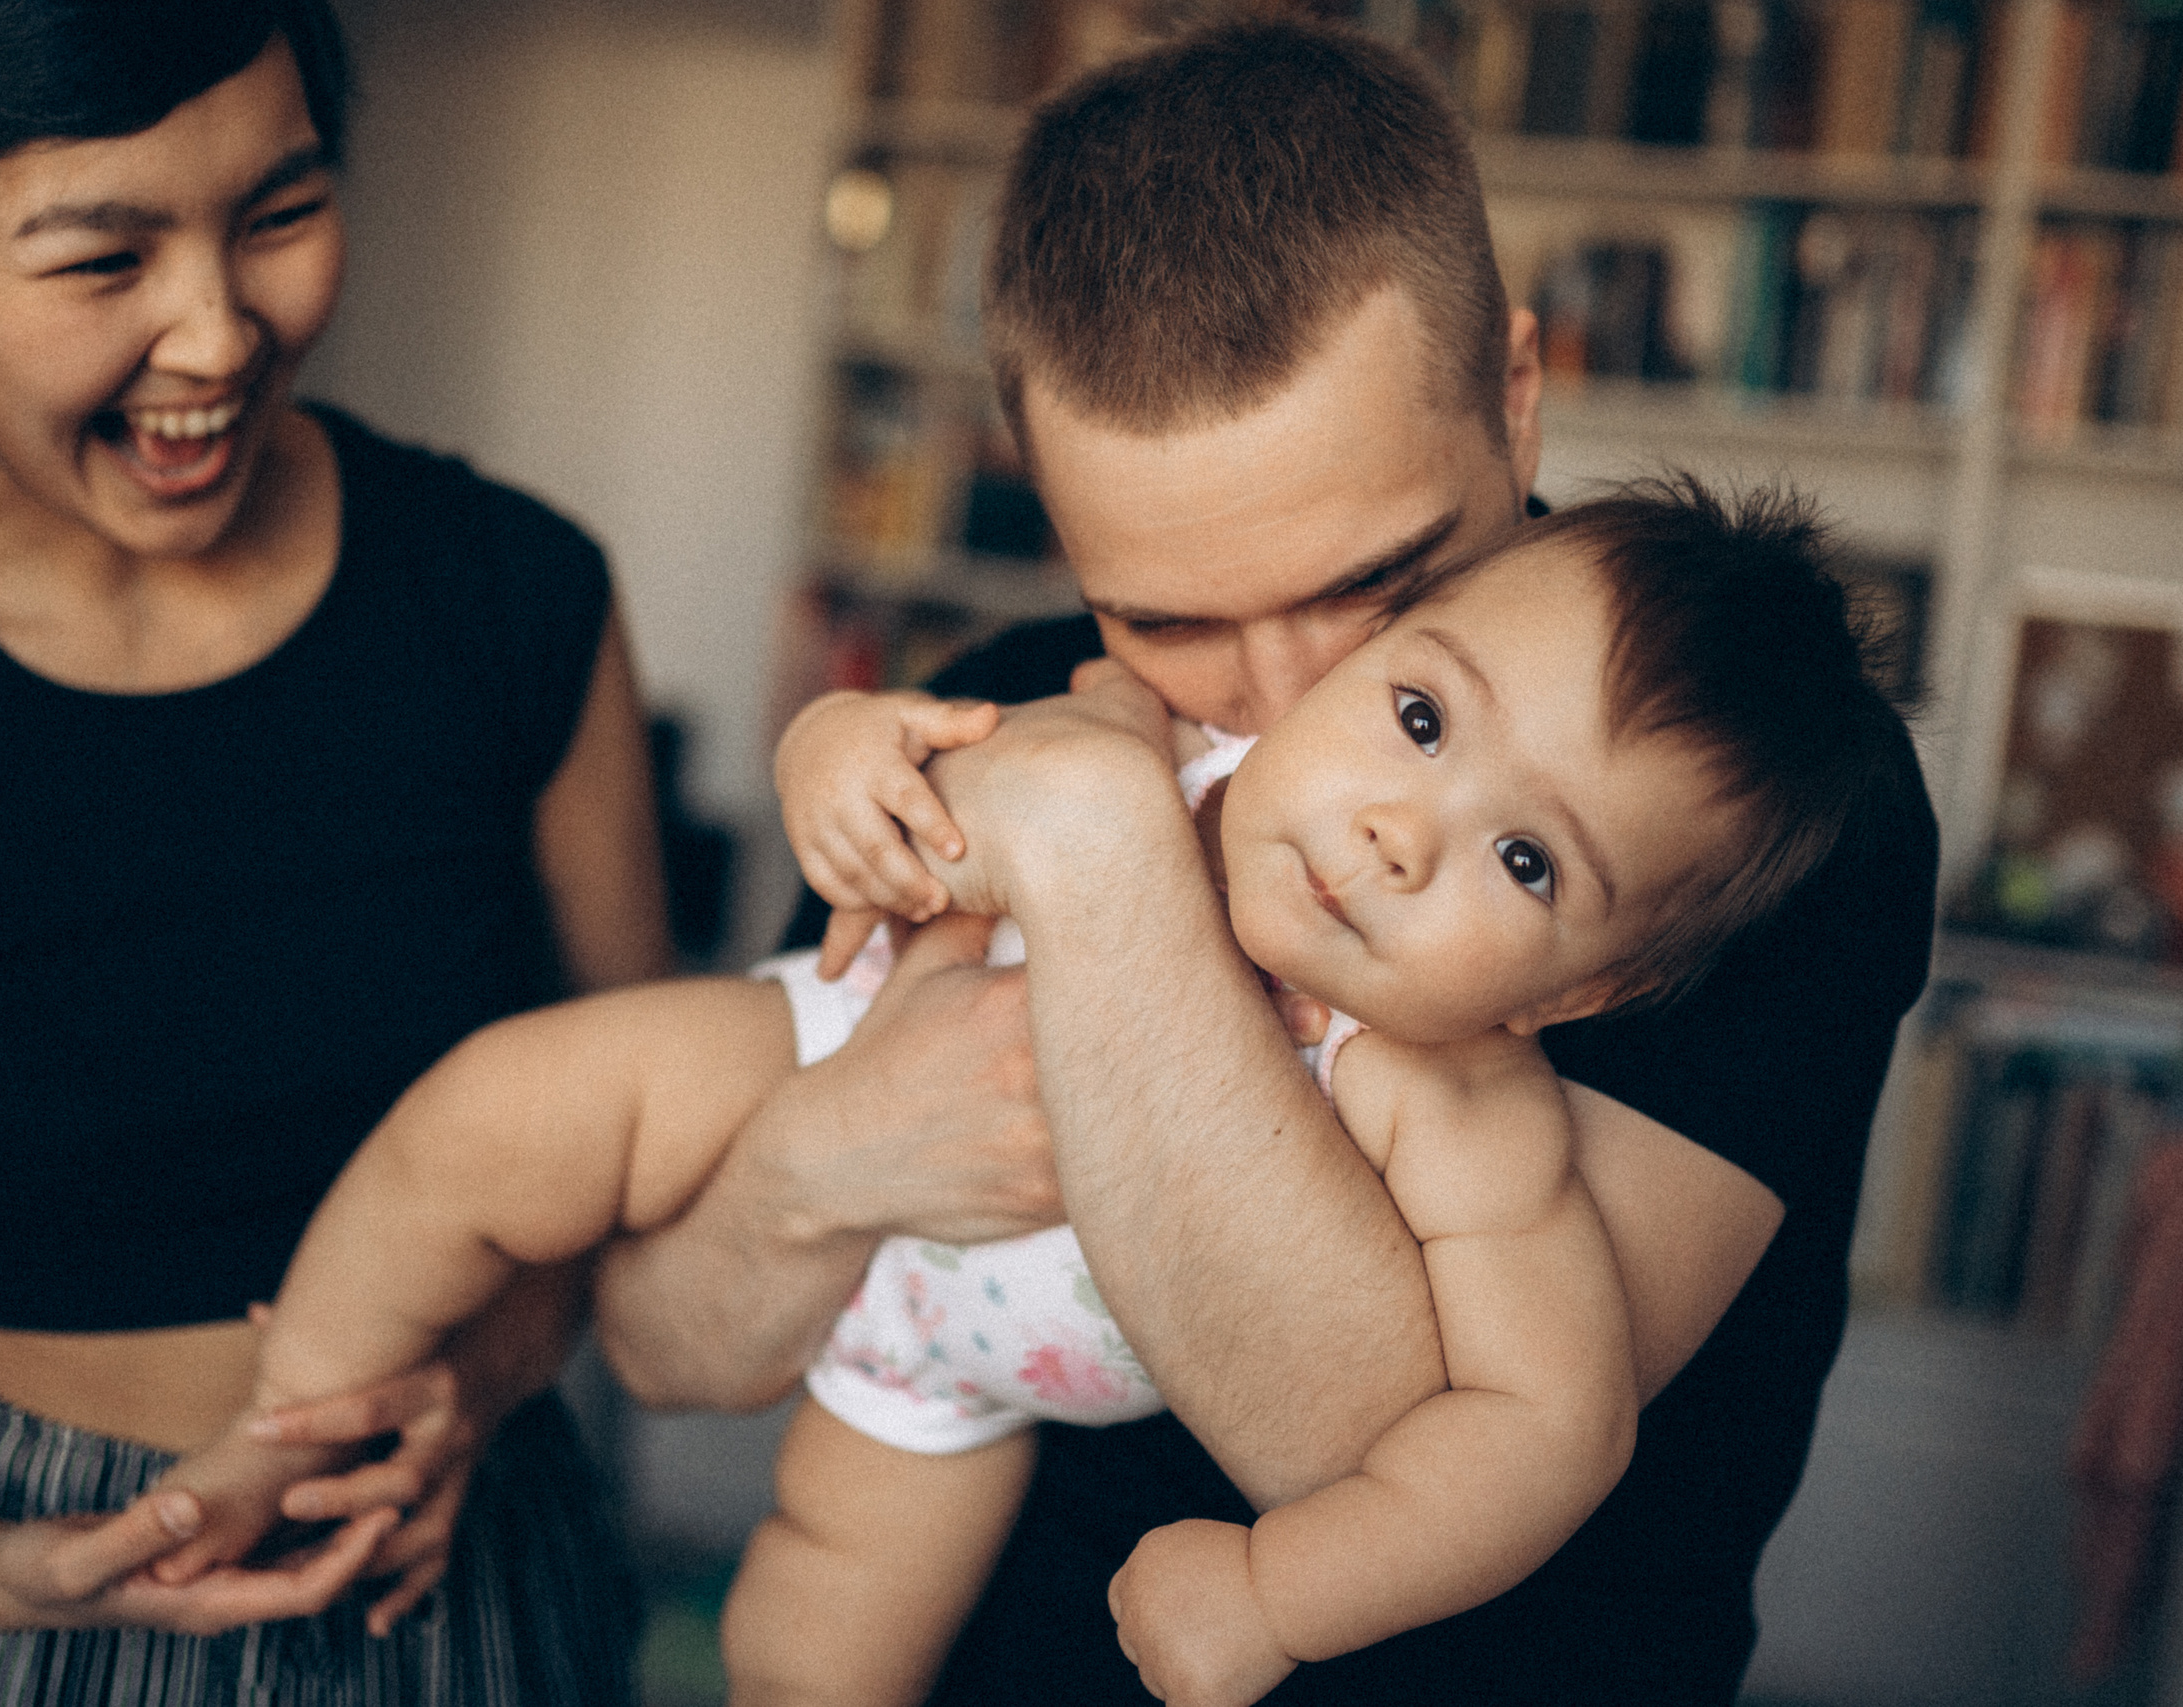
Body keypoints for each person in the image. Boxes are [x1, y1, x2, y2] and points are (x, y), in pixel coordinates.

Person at [592, 18, 1941, 1703]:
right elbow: (667, 1343)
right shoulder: (1003, 701)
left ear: (1516, 401)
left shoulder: (1719, 794)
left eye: (1383, 589)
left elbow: (1369, 1442)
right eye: (1164, 619)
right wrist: (840, 1154)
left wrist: (1103, 858)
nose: (1298, 715)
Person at [143, 480, 1904, 1707]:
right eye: (1422, 721)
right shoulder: (1153, 732)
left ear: (1586, 988)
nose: (1397, 830)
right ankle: (286, 1420)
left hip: (974, 1388)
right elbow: (915, 764)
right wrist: (835, 755)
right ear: (1360, 661)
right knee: (501, 1108)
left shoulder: (1460, 1107)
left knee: (813, 1649)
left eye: (1522, 860)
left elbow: (1546, 1432)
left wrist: (1280, 1593)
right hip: (829, 1066)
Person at [0, 1, 667, 1700]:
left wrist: (484, 1382)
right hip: (25, 1583)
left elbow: (647, 1158)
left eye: (279, 214)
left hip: (453, 1549)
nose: (218, 334)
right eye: (102, 260)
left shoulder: (518, 597)